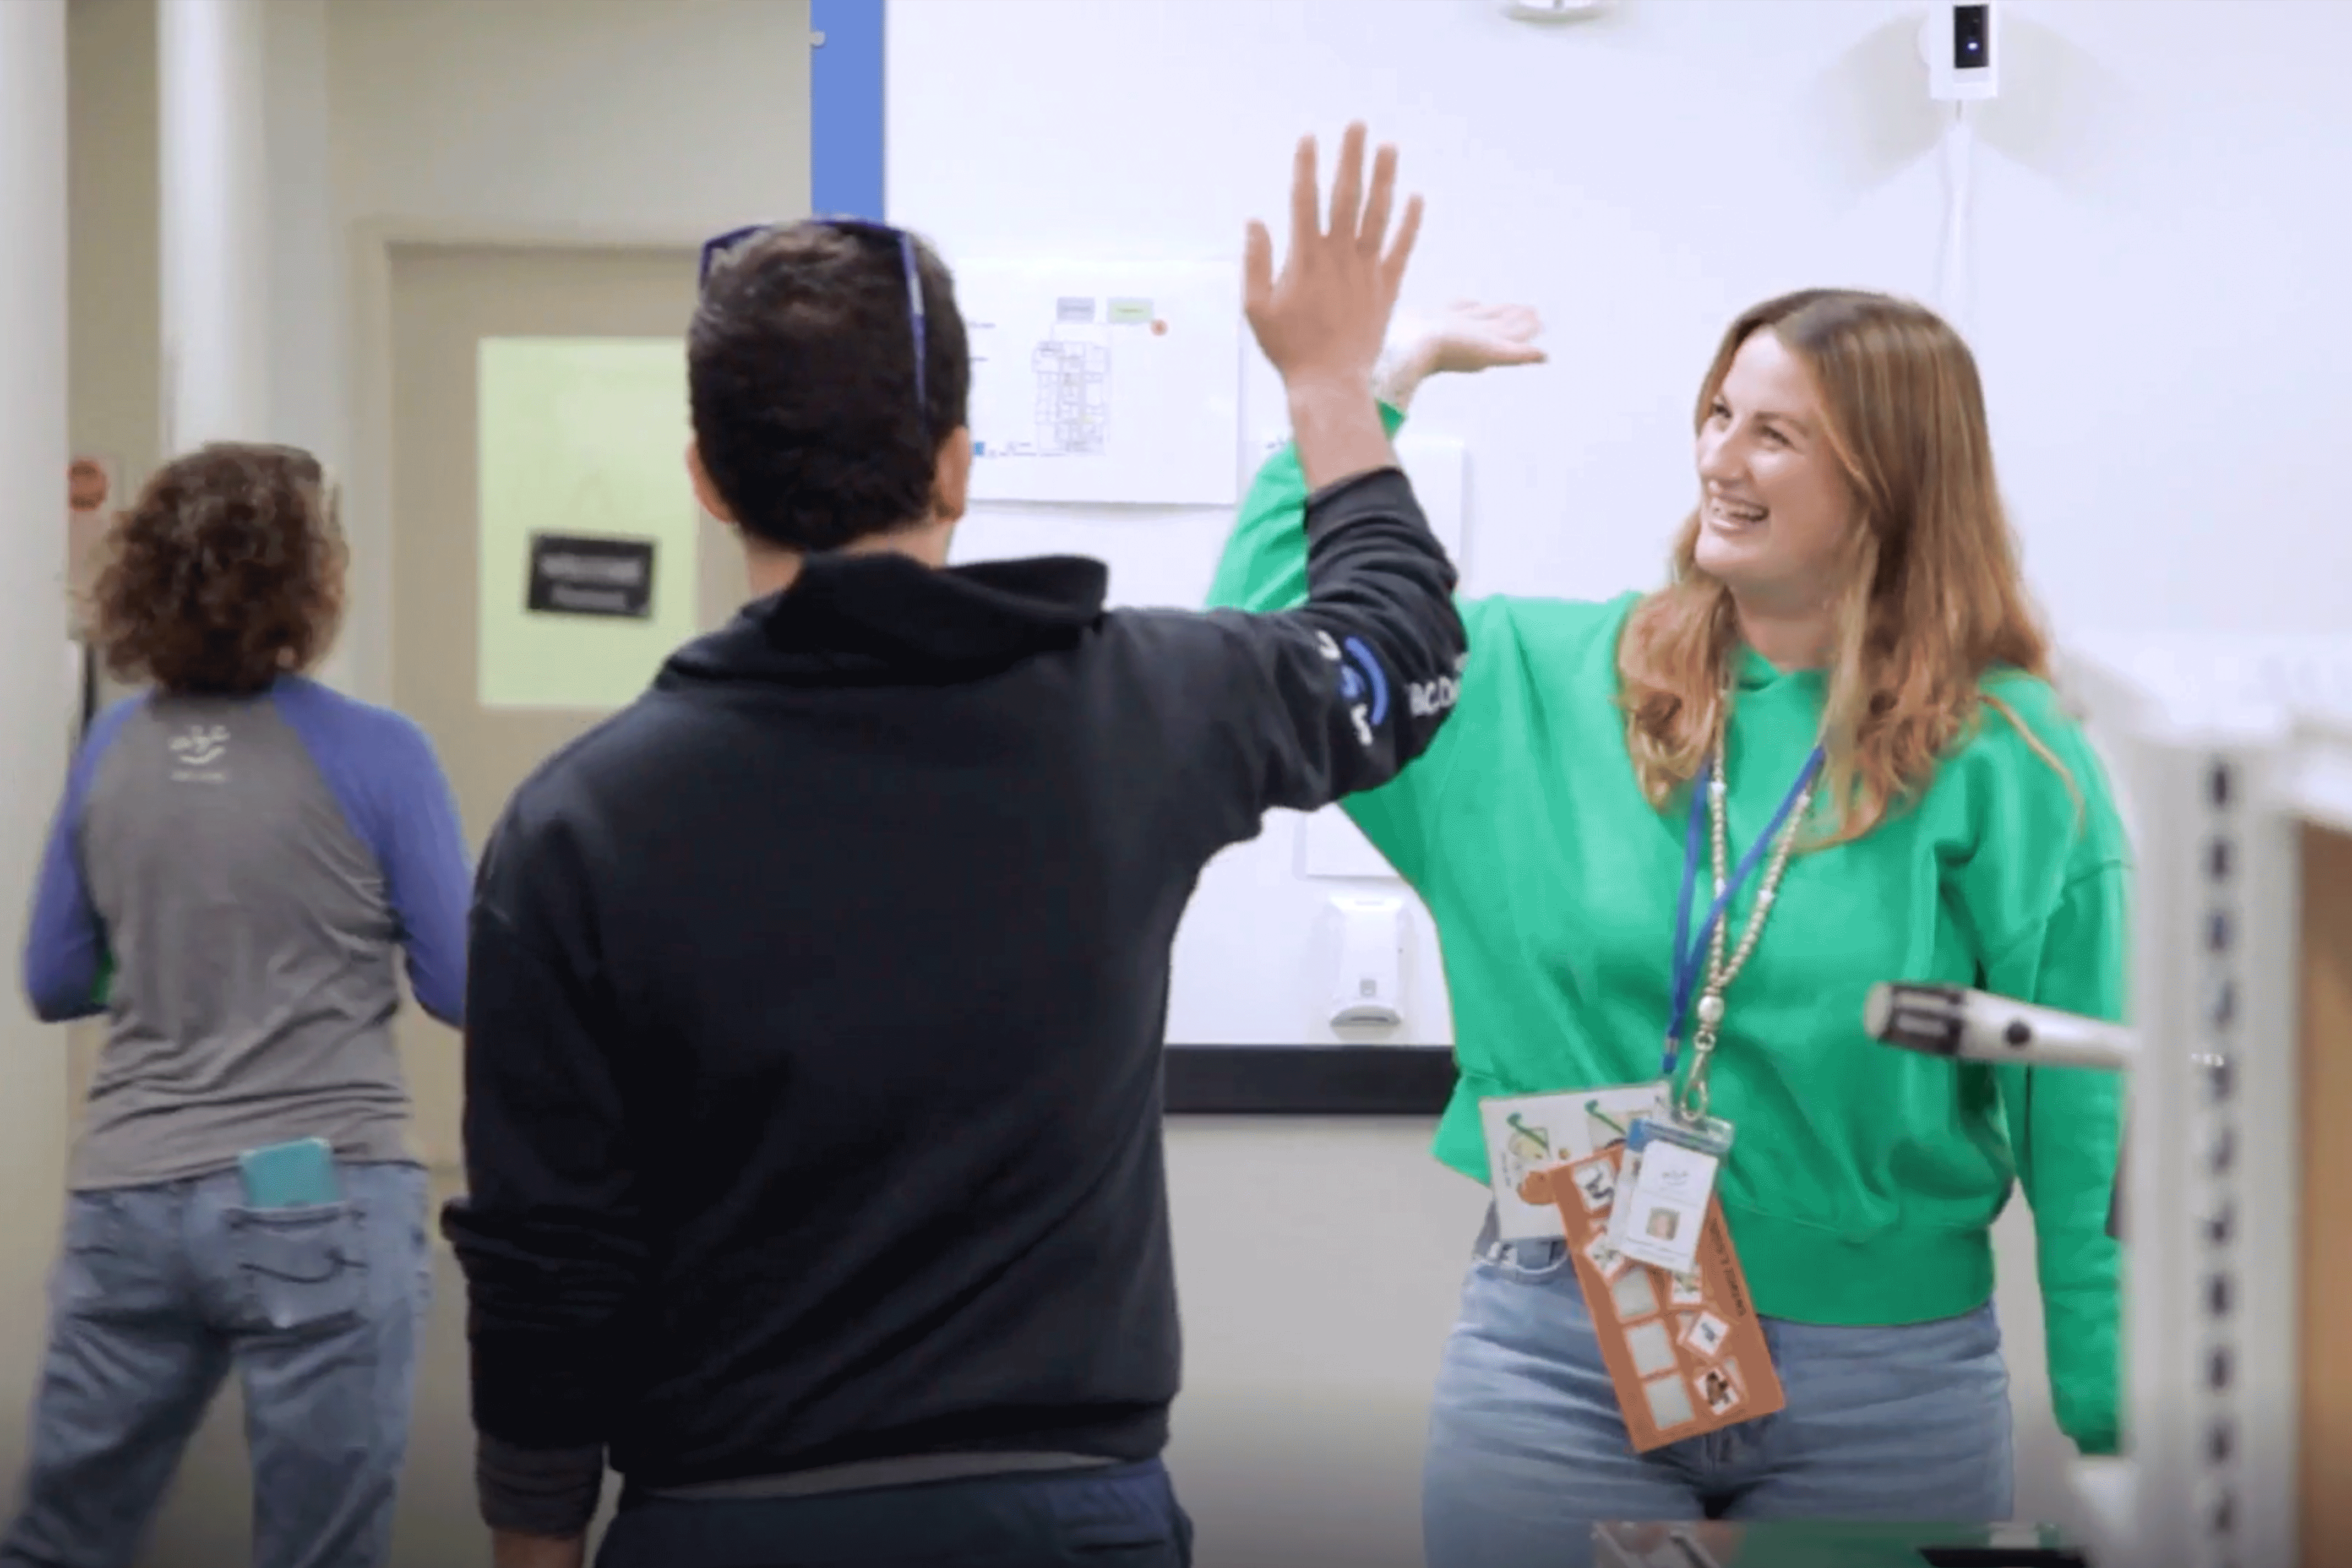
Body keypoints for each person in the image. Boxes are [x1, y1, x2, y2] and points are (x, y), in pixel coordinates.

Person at [441, 123, 1465, 1568]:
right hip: (1065, 1516)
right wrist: (1329, 383)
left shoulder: (580, 822)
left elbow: (546, 1255)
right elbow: (1400, 650)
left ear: (706, 479)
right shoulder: (1143, 710)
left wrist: (535, 1546)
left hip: (726, 1520)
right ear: (960, 466)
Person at [1207, 290, 2127, 1564]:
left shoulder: (2007, 751)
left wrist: (2112, 1384)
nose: (1719, 460)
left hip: (1887, 1383)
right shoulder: (1553, 679)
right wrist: (1371, 390)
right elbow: (1276, 648)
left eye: (1777, 436)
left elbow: (2084, 1096)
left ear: (1893, 480)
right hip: (1560, 1344)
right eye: (1716, 415)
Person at [3, 443, 473, 1568]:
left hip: (131, 1193)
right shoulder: (381, 751)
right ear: (313, 581)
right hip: (314, 1184)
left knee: (63, 1541)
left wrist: (177, 945)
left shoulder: (112, 745)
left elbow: (57, 977)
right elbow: (460, 983)